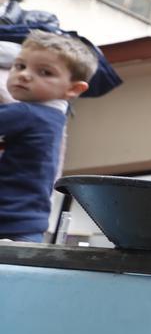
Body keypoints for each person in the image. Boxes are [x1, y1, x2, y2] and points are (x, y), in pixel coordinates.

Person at [0, 30, 95, 242]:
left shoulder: (26, 113)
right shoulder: (54, 118)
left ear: (73, 88)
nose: (24, 74)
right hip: (28, 224)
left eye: (44, 72)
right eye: (20, 66)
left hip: (7, 221)